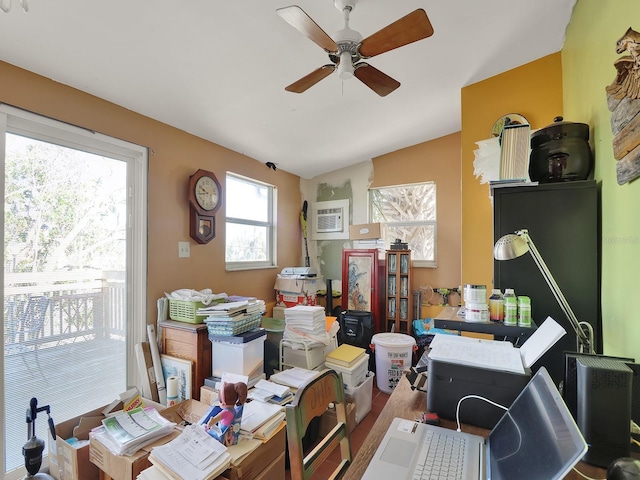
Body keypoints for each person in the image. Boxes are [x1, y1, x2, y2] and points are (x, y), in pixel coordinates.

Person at [205, 381, 247, 446]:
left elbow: (213, 421)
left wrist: (208, 425)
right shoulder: (233, 410)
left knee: (205, 430)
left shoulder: (225, 412)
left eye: (220, 401)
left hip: (221, 433)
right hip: (227, 432)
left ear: (223, 403)